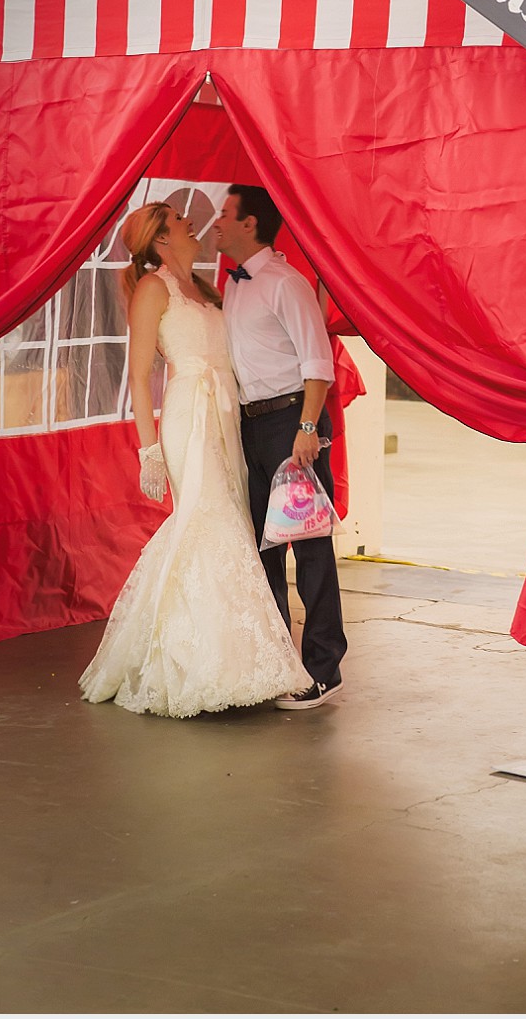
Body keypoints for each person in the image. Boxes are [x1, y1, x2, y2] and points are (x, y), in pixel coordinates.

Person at [79, 201, 305, 717]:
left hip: (226, 411)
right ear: (161, 239)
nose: (191, 224)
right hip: (189, 414)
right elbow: (138, 375)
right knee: (206, 520)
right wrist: (149, 449)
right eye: (180, 220)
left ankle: (231, 657)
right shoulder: (153, 288)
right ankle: (197, 663)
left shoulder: (205, 288)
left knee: (232, 521)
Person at [215, 185, 348, 711]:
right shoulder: (234, 285)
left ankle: (323, 668)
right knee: (265, 548)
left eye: (225, 214)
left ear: (250, 224)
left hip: (294, 422)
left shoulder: (285, 282)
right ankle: (276, 663)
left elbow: (319, 363)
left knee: (310, 546)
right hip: (252, 426)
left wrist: (308, 430)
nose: (217, 223)